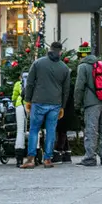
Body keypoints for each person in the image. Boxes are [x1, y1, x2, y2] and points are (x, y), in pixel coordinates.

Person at [21, 41, 71, 169]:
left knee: (34, 130)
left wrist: (28, 100)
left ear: (50, 49)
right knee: (51, 131)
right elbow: (66, 90)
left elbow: (30, 83)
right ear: (60, 52)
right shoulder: (64, 68)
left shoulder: (38, 63)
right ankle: (47, 159)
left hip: (38, 101)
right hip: (55, 103)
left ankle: (30, 159)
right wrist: (62, 107)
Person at [74, 42, 102, 167]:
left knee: (91, 130)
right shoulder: (100, 64)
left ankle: (90, 158)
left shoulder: (83, 66)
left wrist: (77, 104)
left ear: (81, 55)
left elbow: (79, 87)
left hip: (91, 103)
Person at [11, 71, 29, 167]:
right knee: (34, 130)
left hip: (19, 105)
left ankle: (19, 159)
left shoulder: (18, 84)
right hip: (31, 106)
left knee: (20, 131)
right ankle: (35, 156)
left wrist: (15, 103)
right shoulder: (34, 82)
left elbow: (14, 97)